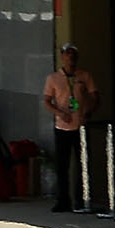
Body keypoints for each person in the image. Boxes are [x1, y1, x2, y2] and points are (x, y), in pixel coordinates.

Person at [40, 44, 100, 212]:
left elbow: (95, 96)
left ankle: (81, 200)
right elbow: (47, 101)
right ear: (62, 57)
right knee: (62, 166)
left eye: (73, 54)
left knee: (83, 164)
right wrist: (59, 113)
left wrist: (90, 110)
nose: (71, 57)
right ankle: (63, 200)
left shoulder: (84, 75)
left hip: (81, 127)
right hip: (62, 127)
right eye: (67, 54)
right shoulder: (53, 78)